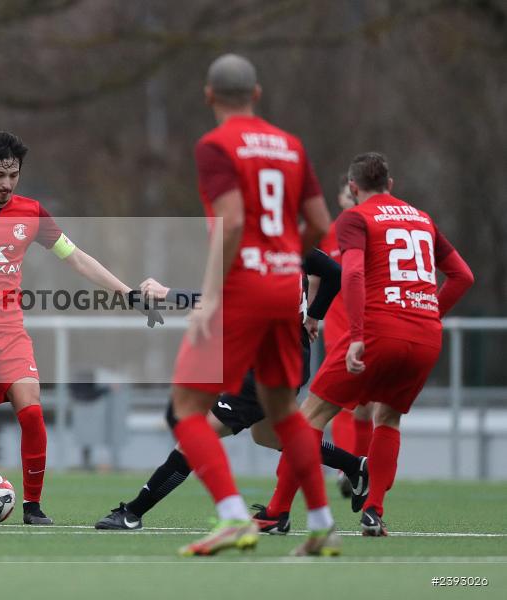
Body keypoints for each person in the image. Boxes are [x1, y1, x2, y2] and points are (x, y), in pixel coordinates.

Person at [0, 131, 161, 526]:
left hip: (10, 332)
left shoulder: (32, 213)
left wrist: (126, 293)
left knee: (33, 411)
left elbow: (76, 258)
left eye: (14, 175)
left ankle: (32, 508)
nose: (6, 184)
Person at [169, 54, 336, 557]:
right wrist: (286, 259)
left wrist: (212, 296)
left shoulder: (215, 145)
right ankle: (324, 525)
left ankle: (234, 517)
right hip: (284, 292)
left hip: (242, 290)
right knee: (285, 413)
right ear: (257, 94)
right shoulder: (291, 146)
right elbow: (320, 223)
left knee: (185, 410)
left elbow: (233, 222)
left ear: (208, 95)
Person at [258, 152, 473, 536]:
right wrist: (428, 314)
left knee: (309, 417)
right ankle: (373, 511)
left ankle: (277, 512)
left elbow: (352, 273)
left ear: (353, 188)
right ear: (390, 185)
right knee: (387, 419)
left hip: (378, 331)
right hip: (425, 337)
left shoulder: (355, 217)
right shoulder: (422, 218)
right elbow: (462, 276)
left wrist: (357, 335)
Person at [95, 249, 369, 532]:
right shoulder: (290, 241)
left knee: (194, 437)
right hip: (283, 359)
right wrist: (313, 316)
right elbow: (334, 273)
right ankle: (353, 466)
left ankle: (133, 512)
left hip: (268, 365)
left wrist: (166, 293)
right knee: (268, 436)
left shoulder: (257, 251)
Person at [322, 175, 375, 498]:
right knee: (342, 404)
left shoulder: (372, 232)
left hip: (370, 330)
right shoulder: (329, 235)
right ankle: (347, 467)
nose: (350, 197)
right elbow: (317, 277)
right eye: (345, 193)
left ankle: (363, 467)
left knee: (367, 407)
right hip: (338, 332)